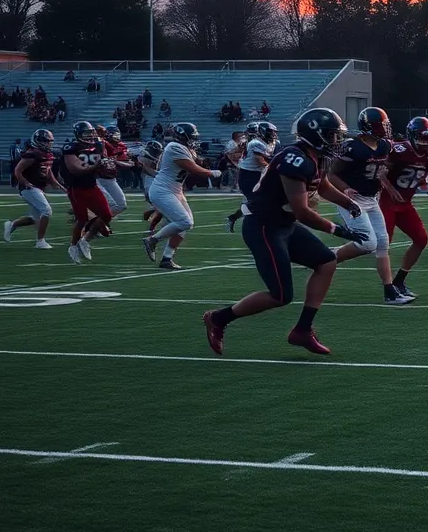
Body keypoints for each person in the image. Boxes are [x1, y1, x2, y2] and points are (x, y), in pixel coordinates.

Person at [202, 108, 367, 357]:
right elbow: (302, 211)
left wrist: (348, 203)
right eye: (333, 135)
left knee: (327, 261)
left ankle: (302, 329)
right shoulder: (294, 158)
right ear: (316, 134)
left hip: (284, 225)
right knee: (280, 295)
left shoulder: (316, 156)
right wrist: (337, 230)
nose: (337, 141)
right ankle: (218, 318)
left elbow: (322, 185)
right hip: (264, 226)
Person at [328, 106, 410, 305]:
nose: (386, 129)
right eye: (381, 125)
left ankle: (389, 291)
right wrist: (345, 189)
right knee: (367, 243)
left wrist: (389, 189)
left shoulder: (384, 146)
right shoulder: (352, 147)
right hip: (352, 200)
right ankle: (327, 257)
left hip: (372, 199)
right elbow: (331, 174)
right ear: (369, 126)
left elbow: (379, 172)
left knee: (382, 244)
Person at [142, 123, 221, 269]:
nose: (194, 140)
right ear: (181, 136)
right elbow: (192, 168)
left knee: (184, 223)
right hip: (162, 190)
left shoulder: (184, 148)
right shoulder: (174, 147)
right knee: (184, 222)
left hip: (174, 190)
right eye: (191, 137)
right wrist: (211, 173)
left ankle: (167, 258)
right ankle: (152, 240)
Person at [381, 116, 428, 297]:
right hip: (387, 202)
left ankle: (399, 281)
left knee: (421, 239)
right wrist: (390, 189)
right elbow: (379, 173)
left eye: (427, 137)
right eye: (421, 137)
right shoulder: (399, 150)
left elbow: (419, 177)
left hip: (404, 204)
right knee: (381, 245)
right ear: (411, 135)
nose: (424, 141)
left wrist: (426, 186)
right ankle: (335, 256)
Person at [61, 121, 114, 264]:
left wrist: (110, 166)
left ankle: (85, 240)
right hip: (76, 188)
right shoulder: (70, 148)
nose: (90, 136)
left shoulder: (97, 145)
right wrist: (97, 165)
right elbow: (76, 170)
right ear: (78, 134)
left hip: (92, 185)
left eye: (91, 133)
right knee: (82, 219)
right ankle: (73, 246)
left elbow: (104, 163)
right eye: (86, 134)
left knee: (106, 215)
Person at [3, 129, 64, 248]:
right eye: (47, 141)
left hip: (38, 187)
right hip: (28, 188)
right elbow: (17, 171)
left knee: (35, 218)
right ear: (39, 141)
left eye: (50, 142)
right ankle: (40, 241)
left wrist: (56, 183)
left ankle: (12, 225)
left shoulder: (47, 154)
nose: (49, 144)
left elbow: (48, 170)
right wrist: (26, 183)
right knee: (46, 211)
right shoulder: (32, 154)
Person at [97, 124, 134, 217]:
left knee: (121, 205)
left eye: (118, 135)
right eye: (115, 135)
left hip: (111, 179)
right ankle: (96, 223)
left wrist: (116, 162)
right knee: (108, 204)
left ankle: (97, 221)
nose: (117, 138)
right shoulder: (100, 144)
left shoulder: (121, 146)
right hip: (97, 178)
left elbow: (130, 164)